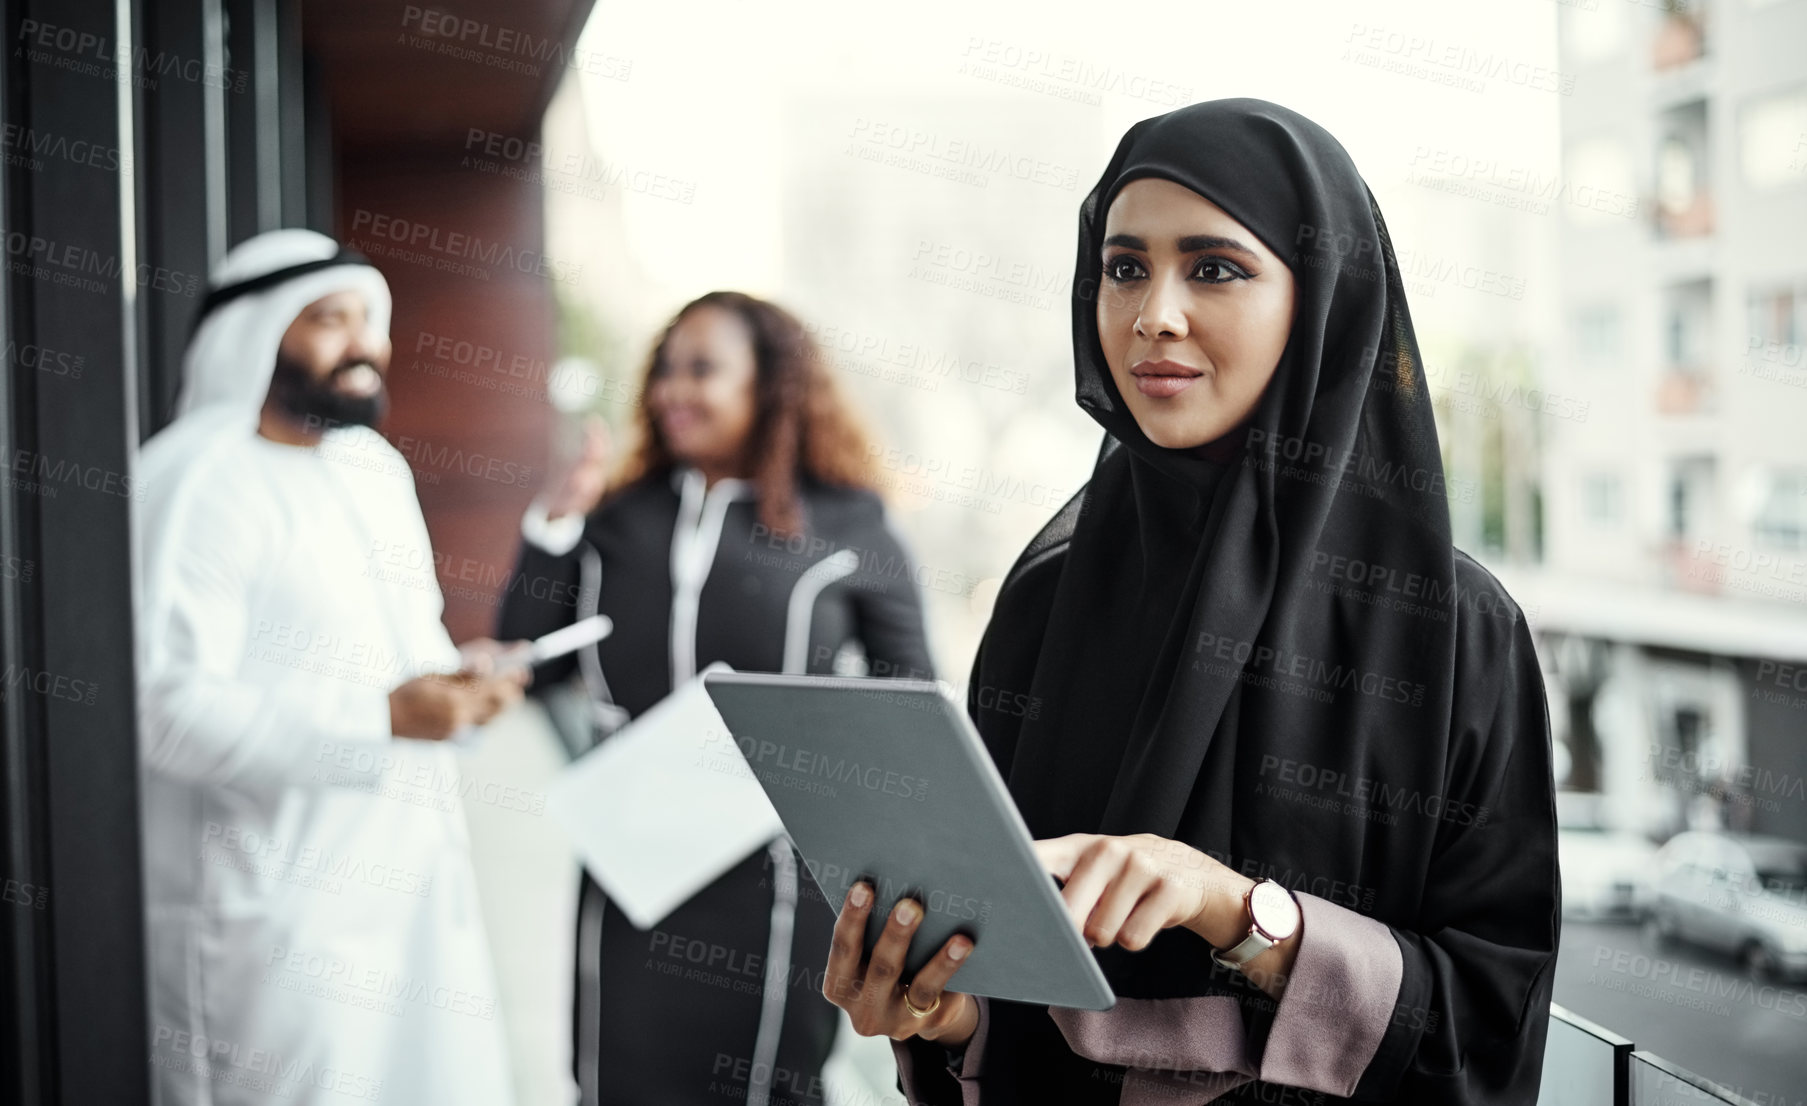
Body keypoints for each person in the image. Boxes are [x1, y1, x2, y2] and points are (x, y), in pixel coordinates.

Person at [823, 98, 1560, 1105]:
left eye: (1213, 267)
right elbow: (1008, 984)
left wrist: (1236, 910)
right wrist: (938, 1010)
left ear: (1322, 300)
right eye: (1123, 266)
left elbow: (1487, 1024)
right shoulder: (1049, 599)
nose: (1151, 313)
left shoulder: (1451, 630)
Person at [498, 290, 937, 1106]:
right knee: (614, 1082)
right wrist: (552, 526)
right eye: (664, 369)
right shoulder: (616, 517)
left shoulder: (849, 523)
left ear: (771, 385)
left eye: (701, 369)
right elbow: (528, 661)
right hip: (629, 867)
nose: (672, 390)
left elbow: (912, 700)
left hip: (776, 878)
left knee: (767, 1087)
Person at [136, 229, 527, 1105]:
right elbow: (163, 709)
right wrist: (383, 719)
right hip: (279, 926)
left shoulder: (372, 470)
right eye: (327, 319)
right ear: (254, 335)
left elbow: (406, 656)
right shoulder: (195, 480)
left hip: (415, 900)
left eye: (371, 320)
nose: (363, 345)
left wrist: (462, 688)